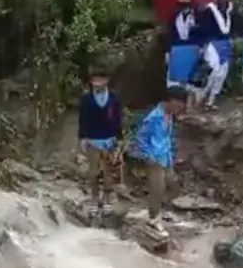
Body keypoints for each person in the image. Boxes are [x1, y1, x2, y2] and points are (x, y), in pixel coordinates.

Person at [134, 87, 188, 233]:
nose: (179, 109)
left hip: (165, 157)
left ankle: (158, 209)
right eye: (178, 105)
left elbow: (167, 137)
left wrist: (171, 155)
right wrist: (148, 156)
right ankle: (153, 219)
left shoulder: (169, 115)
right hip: (155, 159)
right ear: (170, 101)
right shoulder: (154, 117)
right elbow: (140, 138)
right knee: (157, 189)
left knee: (174, 186)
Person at [78, 64, 123, 216]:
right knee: (93, 172)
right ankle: (94, 198)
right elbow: (82, 119)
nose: (96, 83)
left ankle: (107, 198)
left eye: (100, 79)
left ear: (107, 80)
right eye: (94, 80)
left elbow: (118, 118)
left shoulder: (114, 97)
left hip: (109, 139)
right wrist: (82, 137)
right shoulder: (86, 98)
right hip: (92, 139)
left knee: (108, 172)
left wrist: (120, 138)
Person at [197, 0, 236, 110]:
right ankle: (200, 99)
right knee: (212, 71)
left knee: (222, 73)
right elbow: (203, 28)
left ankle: (211, 101)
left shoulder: (230, 10)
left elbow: (235, 26)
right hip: (212, 44)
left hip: (225, 43)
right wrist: (203, 44)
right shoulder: (209, 10)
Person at [165, 0, 202, 108]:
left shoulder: (197, 14)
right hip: (177, 48)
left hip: (192, 47)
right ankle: (178, 105)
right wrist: (167, 51)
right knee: (177, 78)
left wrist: (200, 47)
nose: (184, 0)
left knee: (191, 79)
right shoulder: (174, 15)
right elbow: (169, 33)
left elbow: (202, 33)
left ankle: (190, 105)